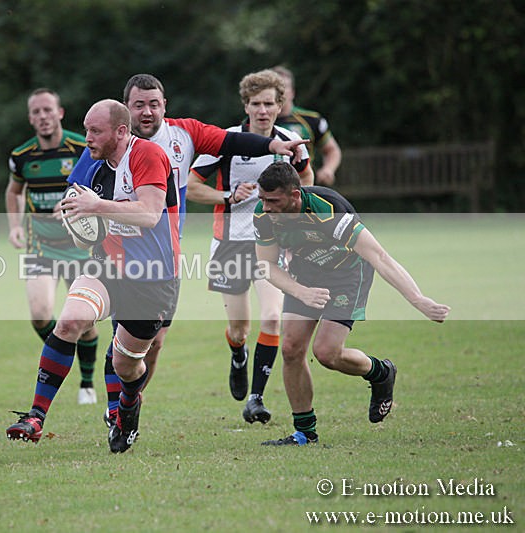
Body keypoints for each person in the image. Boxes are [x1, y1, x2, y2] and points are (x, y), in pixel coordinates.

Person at [68, 73, 309, 426]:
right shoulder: (108, 143)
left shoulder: (185, 134)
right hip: (119, 255)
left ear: (165, 105)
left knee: (154, 342)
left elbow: (230, 141)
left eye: (154, 104)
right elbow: (74, 189)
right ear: (126, 110)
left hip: (165, 257)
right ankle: (116, 410)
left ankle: (129, 400)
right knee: (121, 337)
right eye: (139, 105)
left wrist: (273, 147)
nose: (147, 111)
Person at [7, 99, 180, 453]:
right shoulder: (92, 159)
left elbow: (149, 214)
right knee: (70, 322)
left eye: (94, 131)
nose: (86, 138)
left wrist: (95, 207)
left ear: (120, 131)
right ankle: (36, 416)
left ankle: (127, 406)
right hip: (106, 264)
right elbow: (77, 205)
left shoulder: (147, 154)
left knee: (126, 365)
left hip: (152, 277)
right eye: (85, 129)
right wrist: (77, 222)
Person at [253, 161, 450, 445]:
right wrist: (300, 291)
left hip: (347, 275)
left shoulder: (328, 209)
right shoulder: (264, 215)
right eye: (262, 199)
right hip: (306, 276)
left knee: (326, 353)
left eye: (273, 200)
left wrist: (417, 299)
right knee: (291, 348)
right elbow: (266, 265)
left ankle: (381, 372)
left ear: (295, 195)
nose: (266, 207)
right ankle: (304, 433)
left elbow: (379, 256)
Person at [188, 69, 313, 424]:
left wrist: (295, 209)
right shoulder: (225, 140)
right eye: (255, 104)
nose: (262, 110)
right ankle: (238, 352)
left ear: (279, 106)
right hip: (230, 242)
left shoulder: (290, 141)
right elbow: (190, 185)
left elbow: (306, 177)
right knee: (239, 327)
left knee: (272, 316)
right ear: (246, 105)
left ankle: (256, 398)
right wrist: (227, 196)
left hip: (272, 242)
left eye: (269, 104)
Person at [6, 88, 99, 405]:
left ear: (59, 112)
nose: (43, 117)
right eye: (36, 112)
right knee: (39, 313)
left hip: (80, 246)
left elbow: (95, 185)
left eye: (48, 110)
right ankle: (62, 355)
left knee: (85, 322)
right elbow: (14, 192)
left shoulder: (82, 147)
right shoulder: (22, 155)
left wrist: (74, 204)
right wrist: (15, 226)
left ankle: (87, 382)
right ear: (30, 118)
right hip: (40, 246)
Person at [271, 66, 341, 186]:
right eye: (275, 87)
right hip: (268, 190)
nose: (279, 91)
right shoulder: (254, 121)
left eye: (284, 87)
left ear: (292, 92)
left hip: (303, 186)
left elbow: (332, 150)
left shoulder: (311, 120)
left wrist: (328, 170)